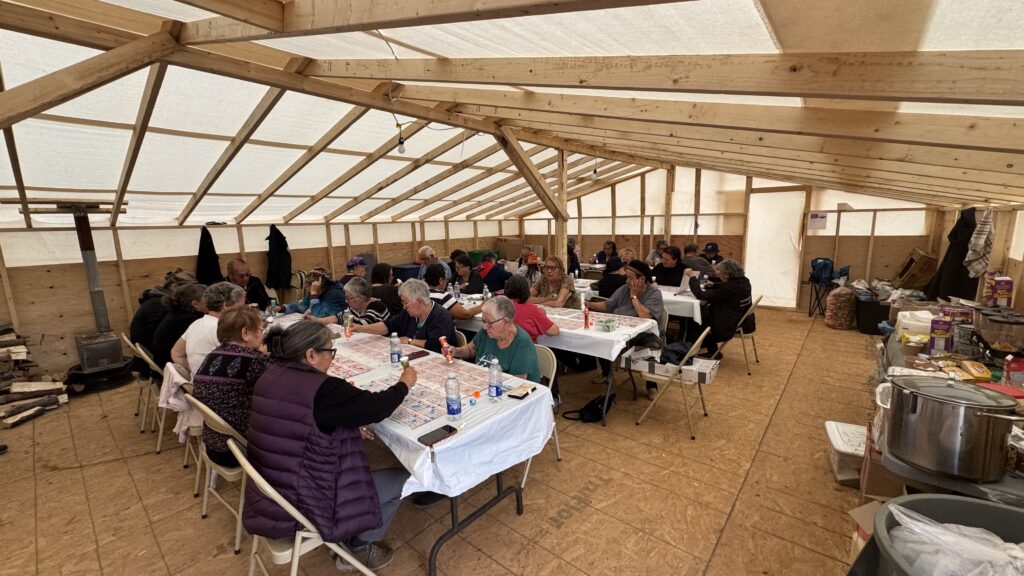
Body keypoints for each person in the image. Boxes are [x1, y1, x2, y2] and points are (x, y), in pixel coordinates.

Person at [245, 321, 417, 571]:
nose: (332, 359)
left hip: (268, 494)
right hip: (304, 501)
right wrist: (404, 384)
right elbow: (377, 407)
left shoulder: (270, 373)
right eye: (330, 351)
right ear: (311, 355)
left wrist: (345, 422)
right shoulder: (324, 390)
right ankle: (358, 548)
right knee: (405, 479)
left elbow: (301, 420)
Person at [191, 307, 269, 467]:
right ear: (246, 333)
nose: (262, 335)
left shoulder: (212, 355)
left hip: (213, 443)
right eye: (261, 330)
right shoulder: (255, 360)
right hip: (239, 450)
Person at [586, 260, 664, 399]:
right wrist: (587, 304)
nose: (627, 281)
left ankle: (651, 384)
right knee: (600, 337)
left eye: (630, 278)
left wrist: (634, 296)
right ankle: (606, 374)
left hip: (644, 333)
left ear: (642, 279)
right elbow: (607, 305)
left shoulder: (654, 294)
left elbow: (644, 315)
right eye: (626, 277)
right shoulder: (623, 289)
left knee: (652, 345)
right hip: (621, 329)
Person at [450, 296, 541, 383]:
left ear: (505, 322)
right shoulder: (487, 332)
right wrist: (455, 351)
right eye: (483, 320)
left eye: (489, 322)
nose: (485, 327)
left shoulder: (522, 344)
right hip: (483, 382)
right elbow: (470, 350)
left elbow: (517, 384)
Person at [352, 279, 456, 354]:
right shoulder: (409, 313)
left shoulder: (440, 316)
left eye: (406, 303)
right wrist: (361, 328)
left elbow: (437, 346)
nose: (404, 307)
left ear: (419, 301)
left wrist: (410, 341)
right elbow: (388, 325)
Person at [171, 282, 246, 376]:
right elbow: (243, 361)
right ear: (226, 305)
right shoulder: (222, 328)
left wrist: (195, 372)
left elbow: (176, 353)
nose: (243, 312)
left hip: (198, 384)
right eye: (241, 307)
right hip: (217, 386)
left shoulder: (196, 324)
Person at [130, 269, 197, 368]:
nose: (192, 294)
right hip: (156, 359)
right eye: (189, 289)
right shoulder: (160, 305)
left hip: (149, 352)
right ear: (174, 287)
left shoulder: (155, 299)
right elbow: (164, 338)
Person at [686, 259, 752, 358]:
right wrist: (715, 285)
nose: (717, 274)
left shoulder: (729, 288)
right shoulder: (744, 281)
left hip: (728, 322)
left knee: (696, 319)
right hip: (743, 318)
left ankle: (688, 351)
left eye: (719, 272)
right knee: (702, 314)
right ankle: (711, 350)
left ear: (727, 274)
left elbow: (700, 294)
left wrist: (692, 277)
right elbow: (727, 289)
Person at [151, 282, 206, 368]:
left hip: (165, 363)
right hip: (172, 368)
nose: (211, 302)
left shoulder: (176, 313)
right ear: (195, 304)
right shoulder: (188, 320)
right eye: (207, 299)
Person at [310, 278, 390, 326]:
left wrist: (345, 321)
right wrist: (318, 320)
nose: (346, 301)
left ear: (360, 298)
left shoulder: (376, 307)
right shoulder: (355, 307)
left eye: (348, 298)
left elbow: (360, 326)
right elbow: (339, 317)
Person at [504, 275, 559, 343]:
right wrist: (544, 316)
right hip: (525, 349)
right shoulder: (530, 309)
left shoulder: (501, 305)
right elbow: (554, 331)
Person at [273, 267, 346, 318]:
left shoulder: (335, 293)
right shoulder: (320, 290)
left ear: (320, 284)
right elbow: (302, 306)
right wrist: (282, 308)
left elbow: (318, 315)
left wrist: (314, 293)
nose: (308, 289)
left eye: (309, 286)